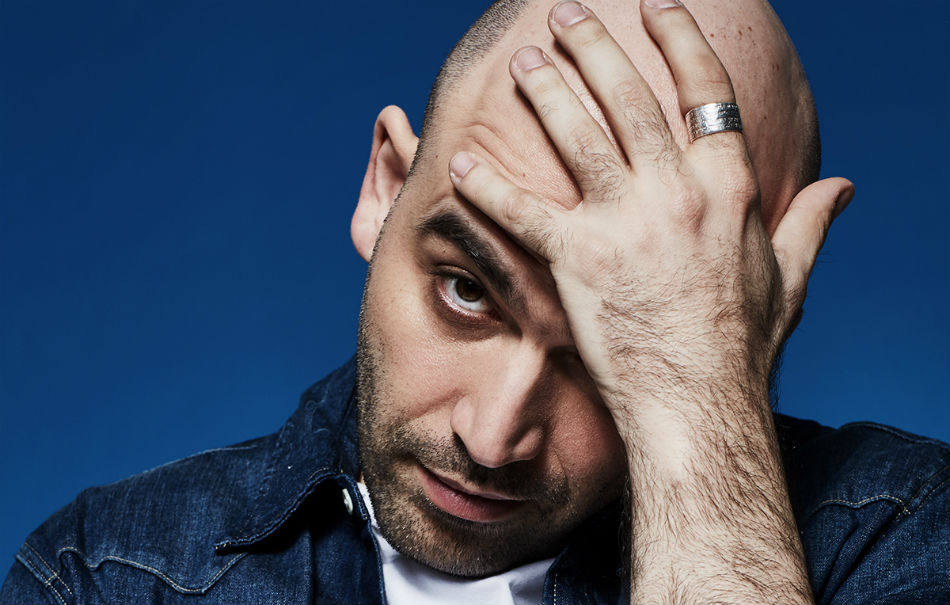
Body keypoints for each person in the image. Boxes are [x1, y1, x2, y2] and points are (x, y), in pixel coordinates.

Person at [2, 0, 947, 603]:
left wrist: (693, 399)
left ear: (746, 317)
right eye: (467, 291)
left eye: (606, 351)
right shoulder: (110, 573)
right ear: (385, 189)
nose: (492, 439)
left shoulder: (903, 539)